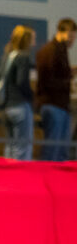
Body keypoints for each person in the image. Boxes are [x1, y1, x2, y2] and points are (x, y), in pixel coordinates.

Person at [34, 17, 76, 162]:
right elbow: (48, 80)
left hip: (61, 105)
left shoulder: (60, 50)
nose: (72, 41)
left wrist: (69, 74)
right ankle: (46, 175)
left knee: (62, 152)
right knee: (52, 150)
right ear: (63, 32)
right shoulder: (50, 51)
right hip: (52, 104)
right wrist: (68, 83)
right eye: (71, 36)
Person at [0, 24, 35, 161]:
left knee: (10, 145)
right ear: (27, 40)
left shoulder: (6, 57)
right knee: (22, 147)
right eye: (32, 39)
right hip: (19, 105)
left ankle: (8, 172)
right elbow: (21, 82)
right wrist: (31, 96)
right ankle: (20, 174)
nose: (34, 43)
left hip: (6, 106)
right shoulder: (23, 57)